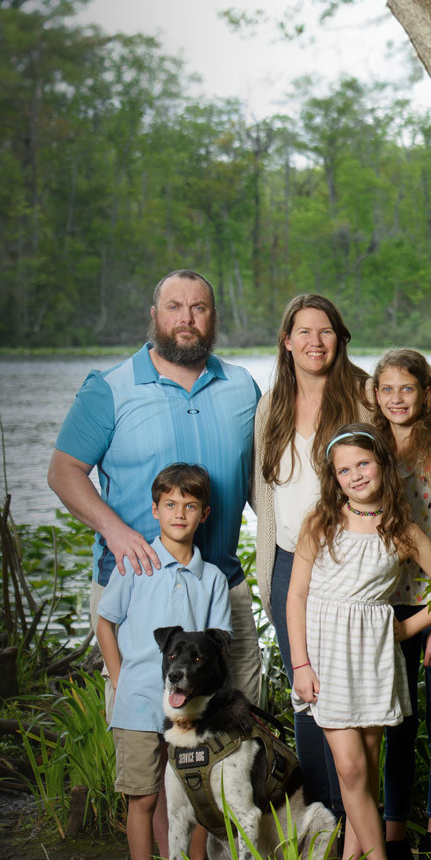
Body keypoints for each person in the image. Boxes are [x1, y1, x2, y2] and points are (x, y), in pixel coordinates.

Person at [50, 270, 264, 706]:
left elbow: (264, 481)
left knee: (242, 728)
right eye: (174, 307)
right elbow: (63, 471)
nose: (186, 318)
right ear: (154, 316)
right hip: (138, 587)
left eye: (198, 308)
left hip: (221, 587)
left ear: (213, 317)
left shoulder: (243, 387)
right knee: (144, 735)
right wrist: (115, 531)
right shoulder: (110, 387)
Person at [286, 422, 431, 860]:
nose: (356, 475)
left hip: (372, 656)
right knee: (349, 768)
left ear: (382, 464)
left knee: (361, 770)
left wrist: (405, 628)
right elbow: (296, 596)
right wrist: (300, 665)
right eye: (344, 470)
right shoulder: (319, 522)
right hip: (324, 655)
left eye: (363, 463)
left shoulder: (401, 530)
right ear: (334, 478)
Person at [252, 295, 375, 822]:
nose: (314, 342)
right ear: (287, 341)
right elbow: (263, 490)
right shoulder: (270, 404)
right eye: (303, 332)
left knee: (350, 693)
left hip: (346, 564)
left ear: (338, 337)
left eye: (323, 331)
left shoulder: (364, 396)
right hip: (286, 565)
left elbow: (386, 474)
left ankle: (360, 825)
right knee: (305, 688)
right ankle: (317, 822)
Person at [94, 463, 231, 860]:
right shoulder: (134, 562)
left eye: (189, 506)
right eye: (170, 505)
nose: (179, 514)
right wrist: (118, 679)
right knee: (144, 794)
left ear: (204, 514)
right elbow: (105, 622)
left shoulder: (211, 577)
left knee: (195, 788)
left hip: (189, 706)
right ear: (154, 510)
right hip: (136, 701)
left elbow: (217, 644)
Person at [371, 350, 431, 860]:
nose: (397, 399)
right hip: (388, 603)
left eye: (407, 388)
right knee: (397, 726)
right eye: (387, 389)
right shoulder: (373, 448)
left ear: (425, 393)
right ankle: (393, 837)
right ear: (375, 395)